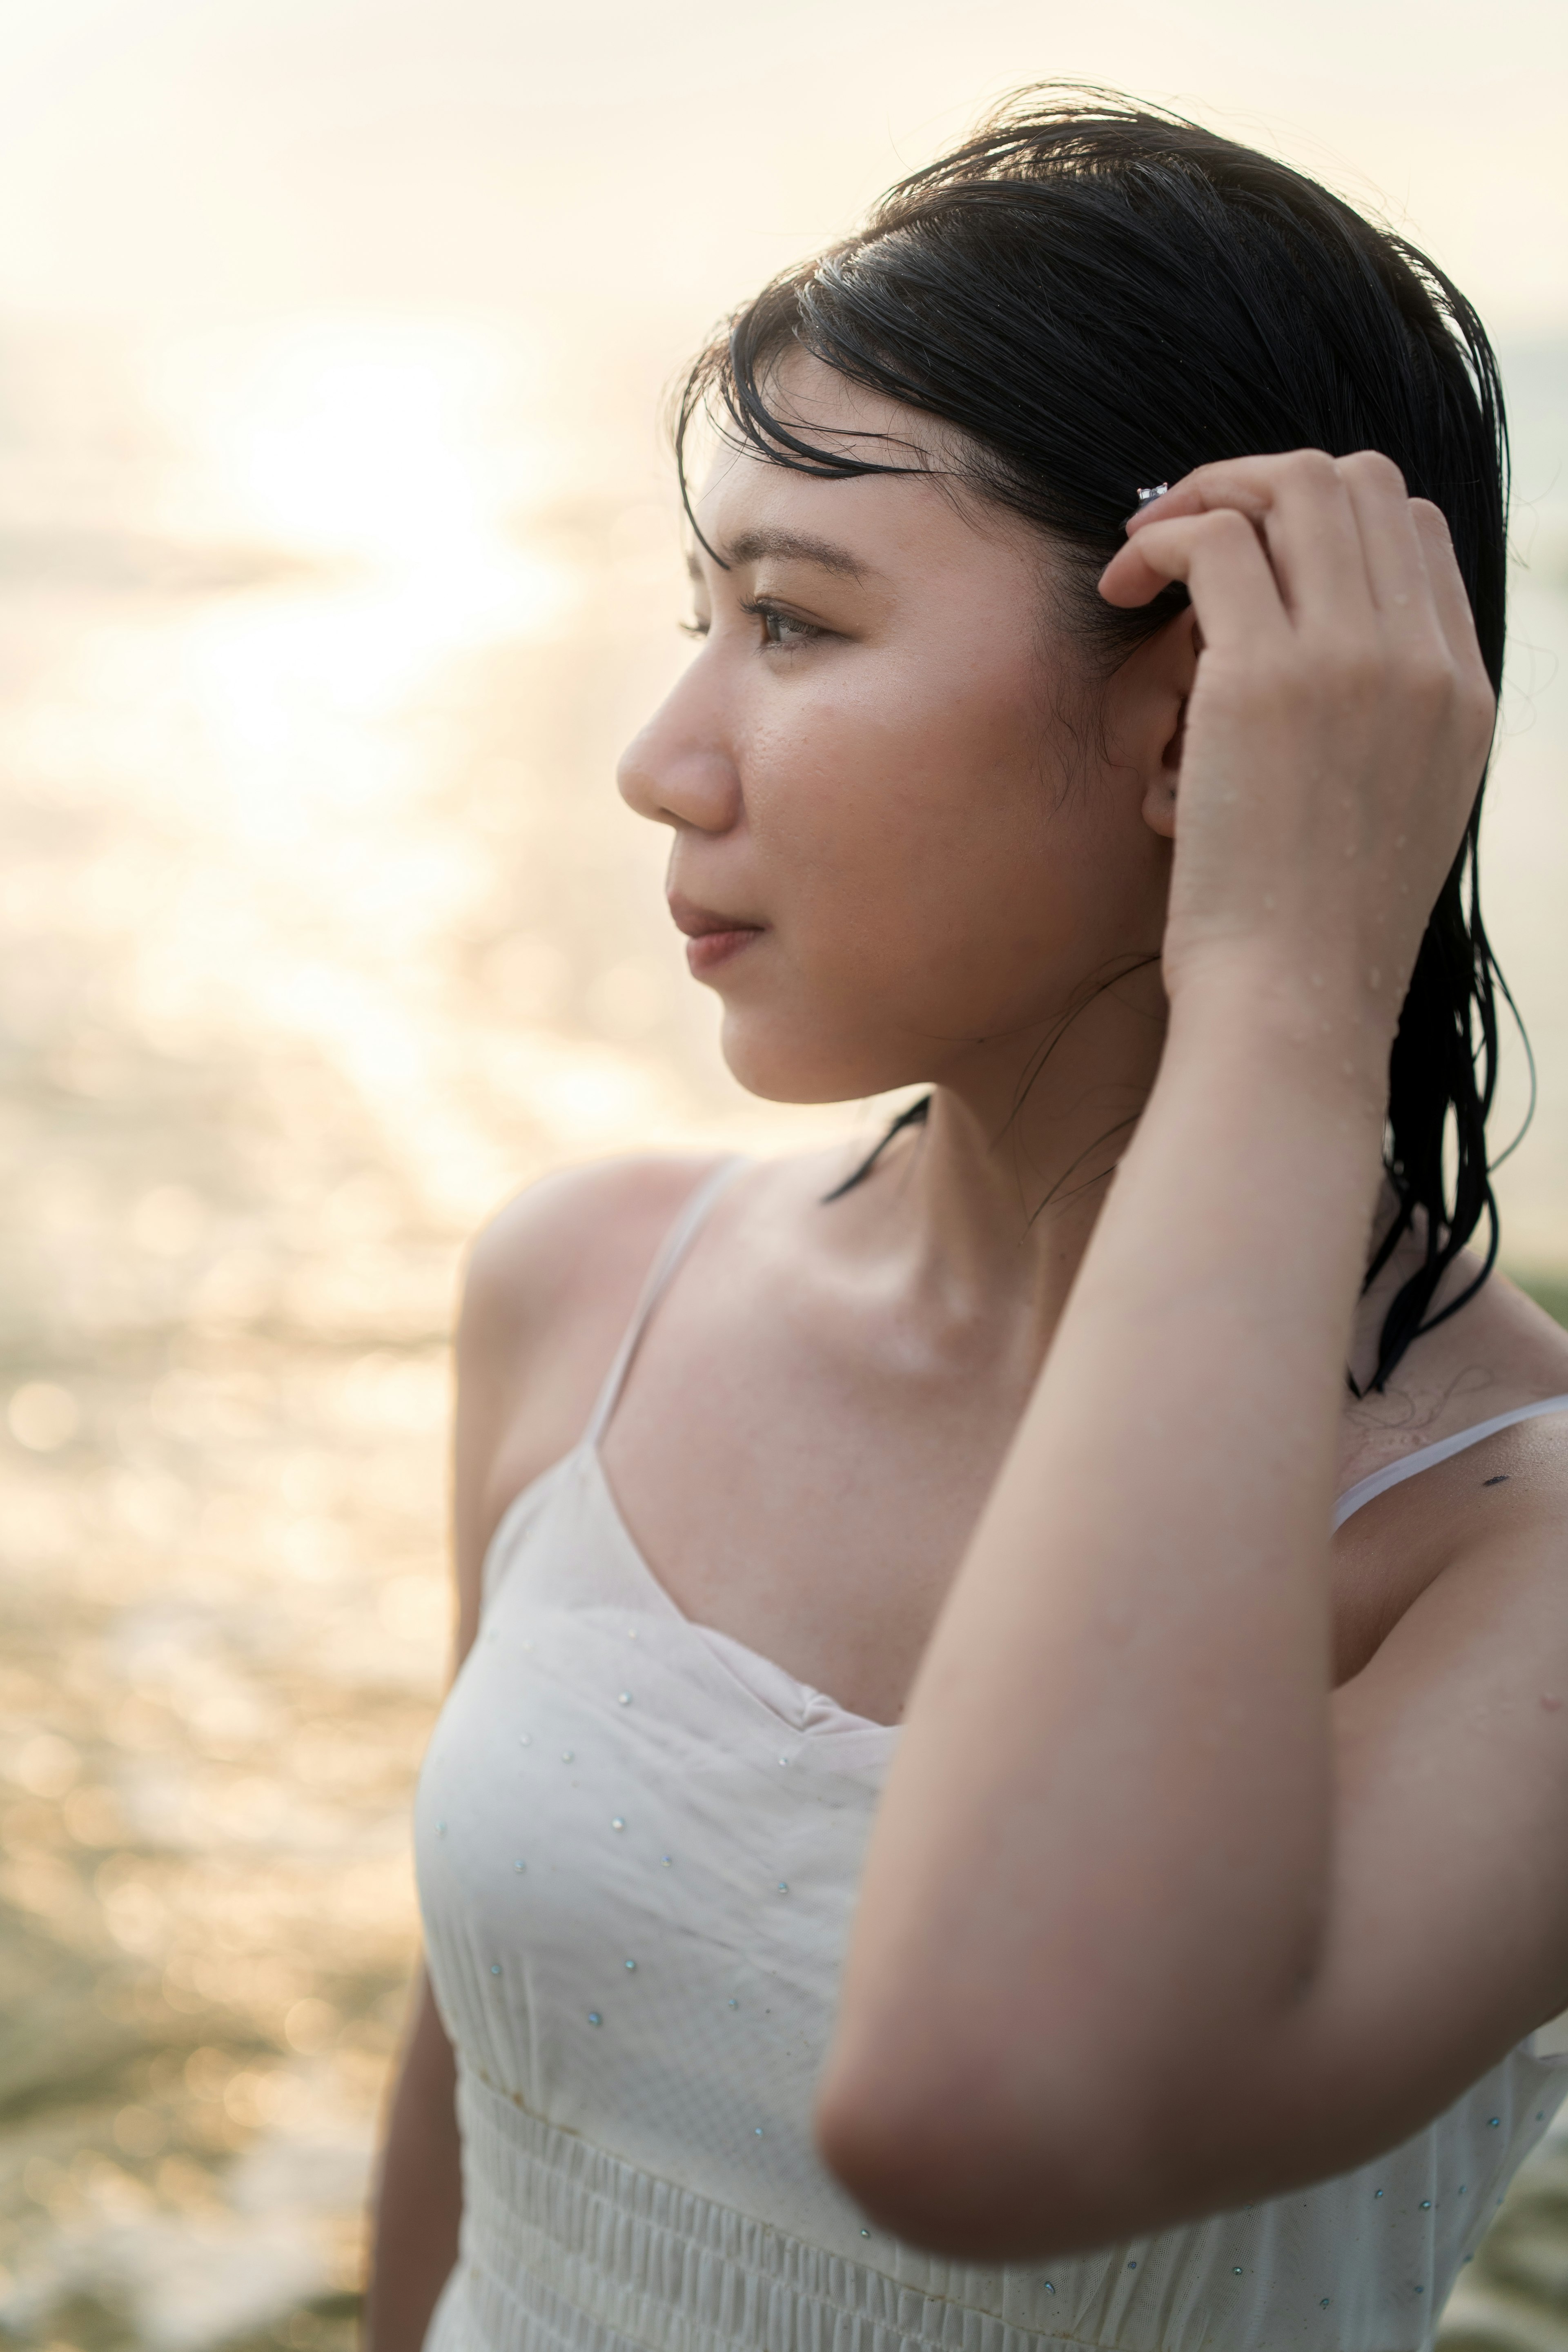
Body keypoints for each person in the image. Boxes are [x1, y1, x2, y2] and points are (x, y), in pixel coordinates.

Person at [366, 88, 1568, 2352]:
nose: (662, 752)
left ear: (1198, 712)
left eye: (794, 627)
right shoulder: (581, 1289)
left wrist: (1289, 999)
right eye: (700, 614)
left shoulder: (1516, 1560)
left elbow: (986, 2099)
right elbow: (467, 2109)